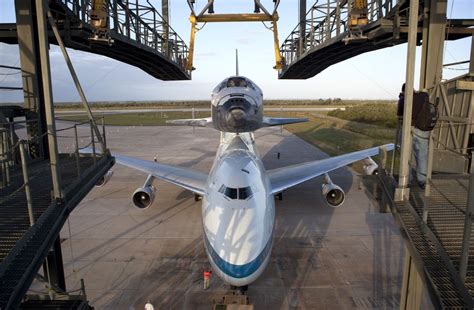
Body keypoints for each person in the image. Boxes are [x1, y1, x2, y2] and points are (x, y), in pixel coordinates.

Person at [397, 83, 430, 189]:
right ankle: (422, 181)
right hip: (423, 129)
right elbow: (426, 95)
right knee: (422, 155)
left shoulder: (404, 99)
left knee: (407, 155)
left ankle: (407, 179)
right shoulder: (423, 96)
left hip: (409, 128)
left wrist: (402, 97)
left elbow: (399, 113)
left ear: (404, 91)